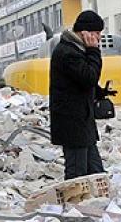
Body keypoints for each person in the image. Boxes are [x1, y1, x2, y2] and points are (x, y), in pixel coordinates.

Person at [49, 10, 116, 180]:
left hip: (82, 123)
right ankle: (74, 205)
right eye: (96, 33)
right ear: (85, 32)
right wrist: (94, 51)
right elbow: (88, 77)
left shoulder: (77, 50)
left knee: (96, 173)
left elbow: (83, 80)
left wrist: (100, 92)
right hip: (72, 123)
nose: (99, 38)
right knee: (77, 174)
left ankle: (96, 204)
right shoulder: (68, 52)